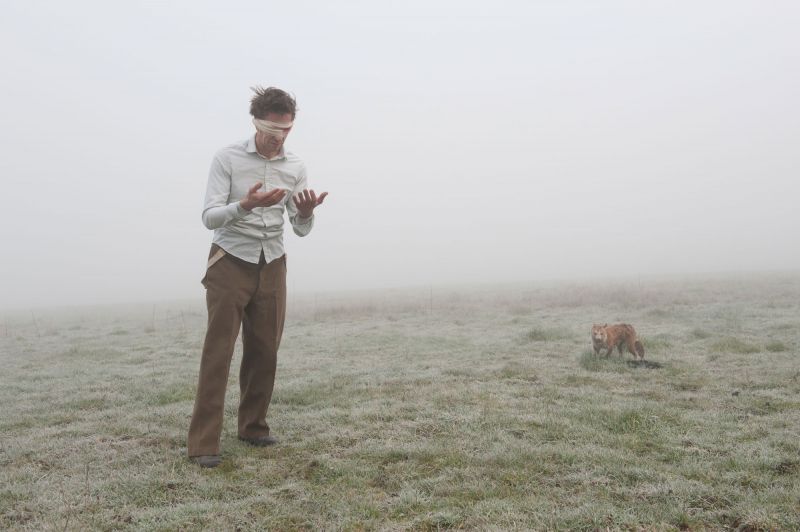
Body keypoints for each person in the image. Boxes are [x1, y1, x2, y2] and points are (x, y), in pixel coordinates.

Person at [188, 86, 327, 468]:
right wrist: (244, 205)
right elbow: (208, 217)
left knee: (265, 350)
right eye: (270, 129)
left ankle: (253, 427)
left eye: (284, 131)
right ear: (255, 122)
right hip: (230, 259)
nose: (276, 138)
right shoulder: (227, 158)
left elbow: (299, 229)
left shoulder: (295, 167)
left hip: (273, 262)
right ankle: (203, 444)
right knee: (219, 352)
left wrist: (305, 213)